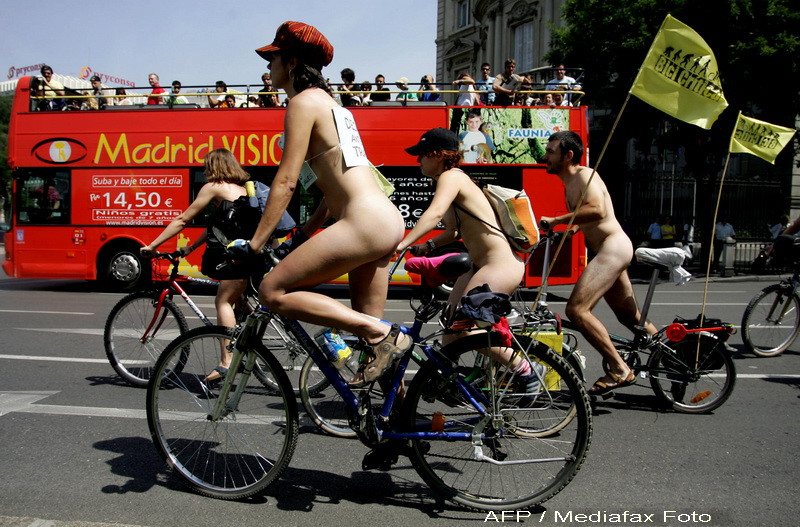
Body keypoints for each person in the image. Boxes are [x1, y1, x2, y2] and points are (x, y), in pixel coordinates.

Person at [239, 21, 411, 387]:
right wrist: (304, 233)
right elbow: (331, 195)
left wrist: (255, 244)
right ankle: (393, 416)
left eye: (273, 58)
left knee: (271, 291)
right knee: (376, 350)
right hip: (384, 218)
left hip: (364, 223)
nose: (268, 66)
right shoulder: (335, 107)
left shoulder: (302, 103)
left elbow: (286, 182)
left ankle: (384, 333)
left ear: (292, 62)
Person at [394, 128, 541, 389]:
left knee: (464, 329)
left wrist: (402, 243)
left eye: (422, 155)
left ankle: (526, 369)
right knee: (451, 325)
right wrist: (426, 246)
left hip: (498, 265)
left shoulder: (451, 177)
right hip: (479, 266)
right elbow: (452, 230)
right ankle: (451, 382)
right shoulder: (450, 180)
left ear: (438, 154)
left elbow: (434, 214)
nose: (418, 160)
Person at [539, 131, 657, 395]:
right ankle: (671, 355)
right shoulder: (570, 182)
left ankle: (619, 369)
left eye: (551, 151)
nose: (545, 156)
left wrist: (557, 220)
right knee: (630, 317)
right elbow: (587, 216)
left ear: (568, 155)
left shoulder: (584, 175)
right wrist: (570, 229)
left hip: (612, 248)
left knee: (577, 310)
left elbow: (598, 209)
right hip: (608, 249)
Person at [140, 149, 264, 381]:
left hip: (237, 258)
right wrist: (191, 248)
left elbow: (183, 219)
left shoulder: (213, 187)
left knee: (223, 300)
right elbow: (219, 226)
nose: (205, 170)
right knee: (237, 299)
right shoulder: (242, 189)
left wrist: (153, 245)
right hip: (252, 255)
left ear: (214, 166)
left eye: (207, 166)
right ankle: (250, 340)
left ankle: (226, 361)